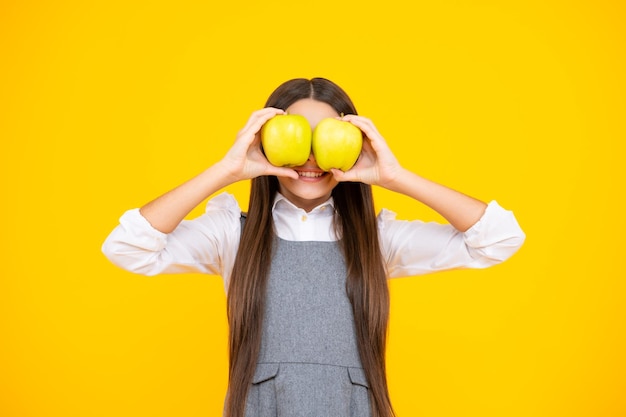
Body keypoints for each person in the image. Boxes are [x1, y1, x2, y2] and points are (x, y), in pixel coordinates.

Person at [102, 77, 525, 417]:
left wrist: (395, 177)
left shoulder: (377, 239)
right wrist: (227, 169)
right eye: (295, 137)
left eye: (325, 137)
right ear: (266, 139)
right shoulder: (233, 232)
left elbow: (498, 239)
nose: (310, 158)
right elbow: (127, 247)